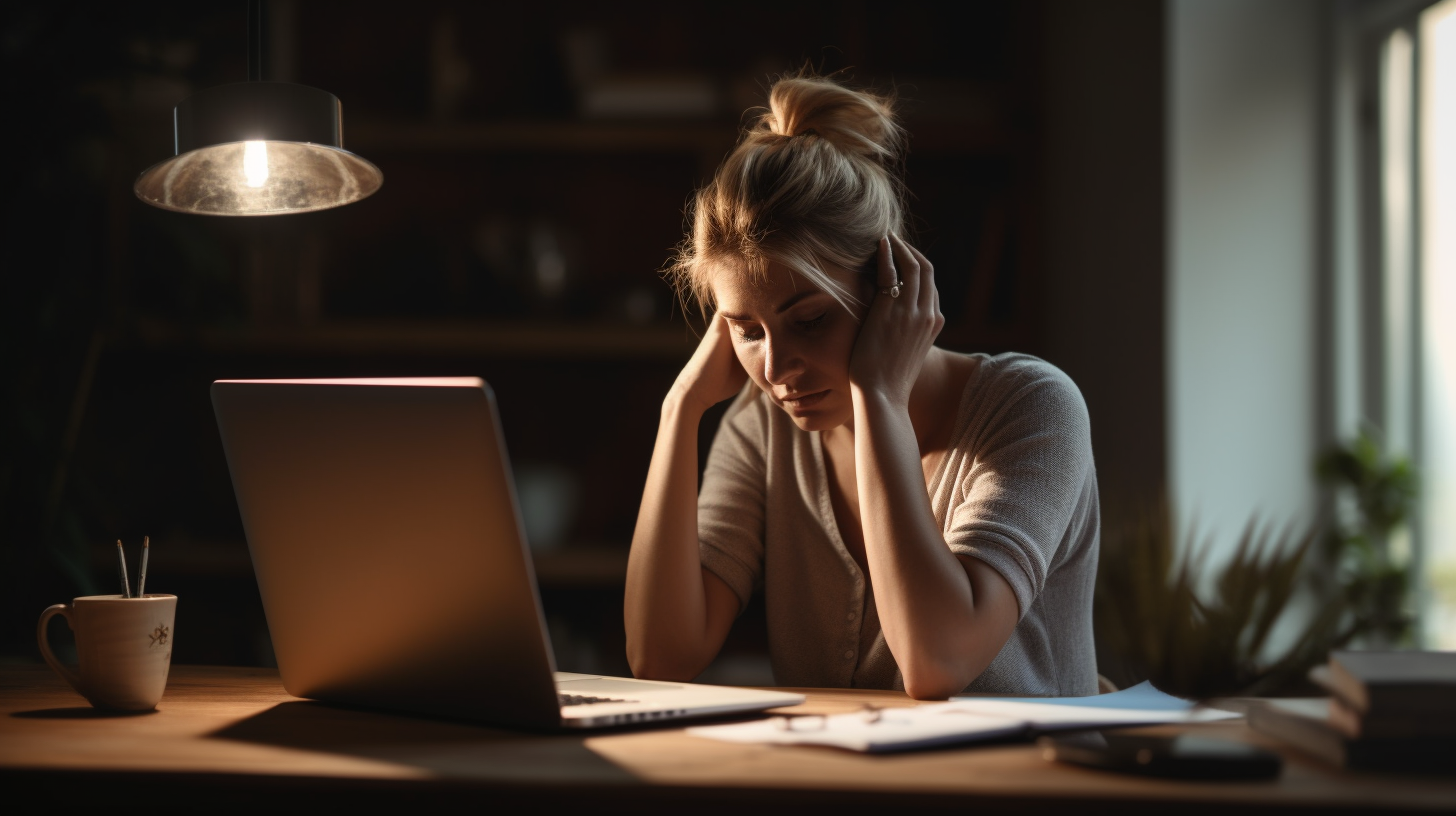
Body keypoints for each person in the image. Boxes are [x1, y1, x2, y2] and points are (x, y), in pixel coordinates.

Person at [624, 73, 1099, 700]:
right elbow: (661, 656)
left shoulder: (1033, 408)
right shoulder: (761, 426)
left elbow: (937, 661)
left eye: (810, 321)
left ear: (889, 286)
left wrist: (880, 397)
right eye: (748, 330)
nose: (776, 369)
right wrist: (681, 407)